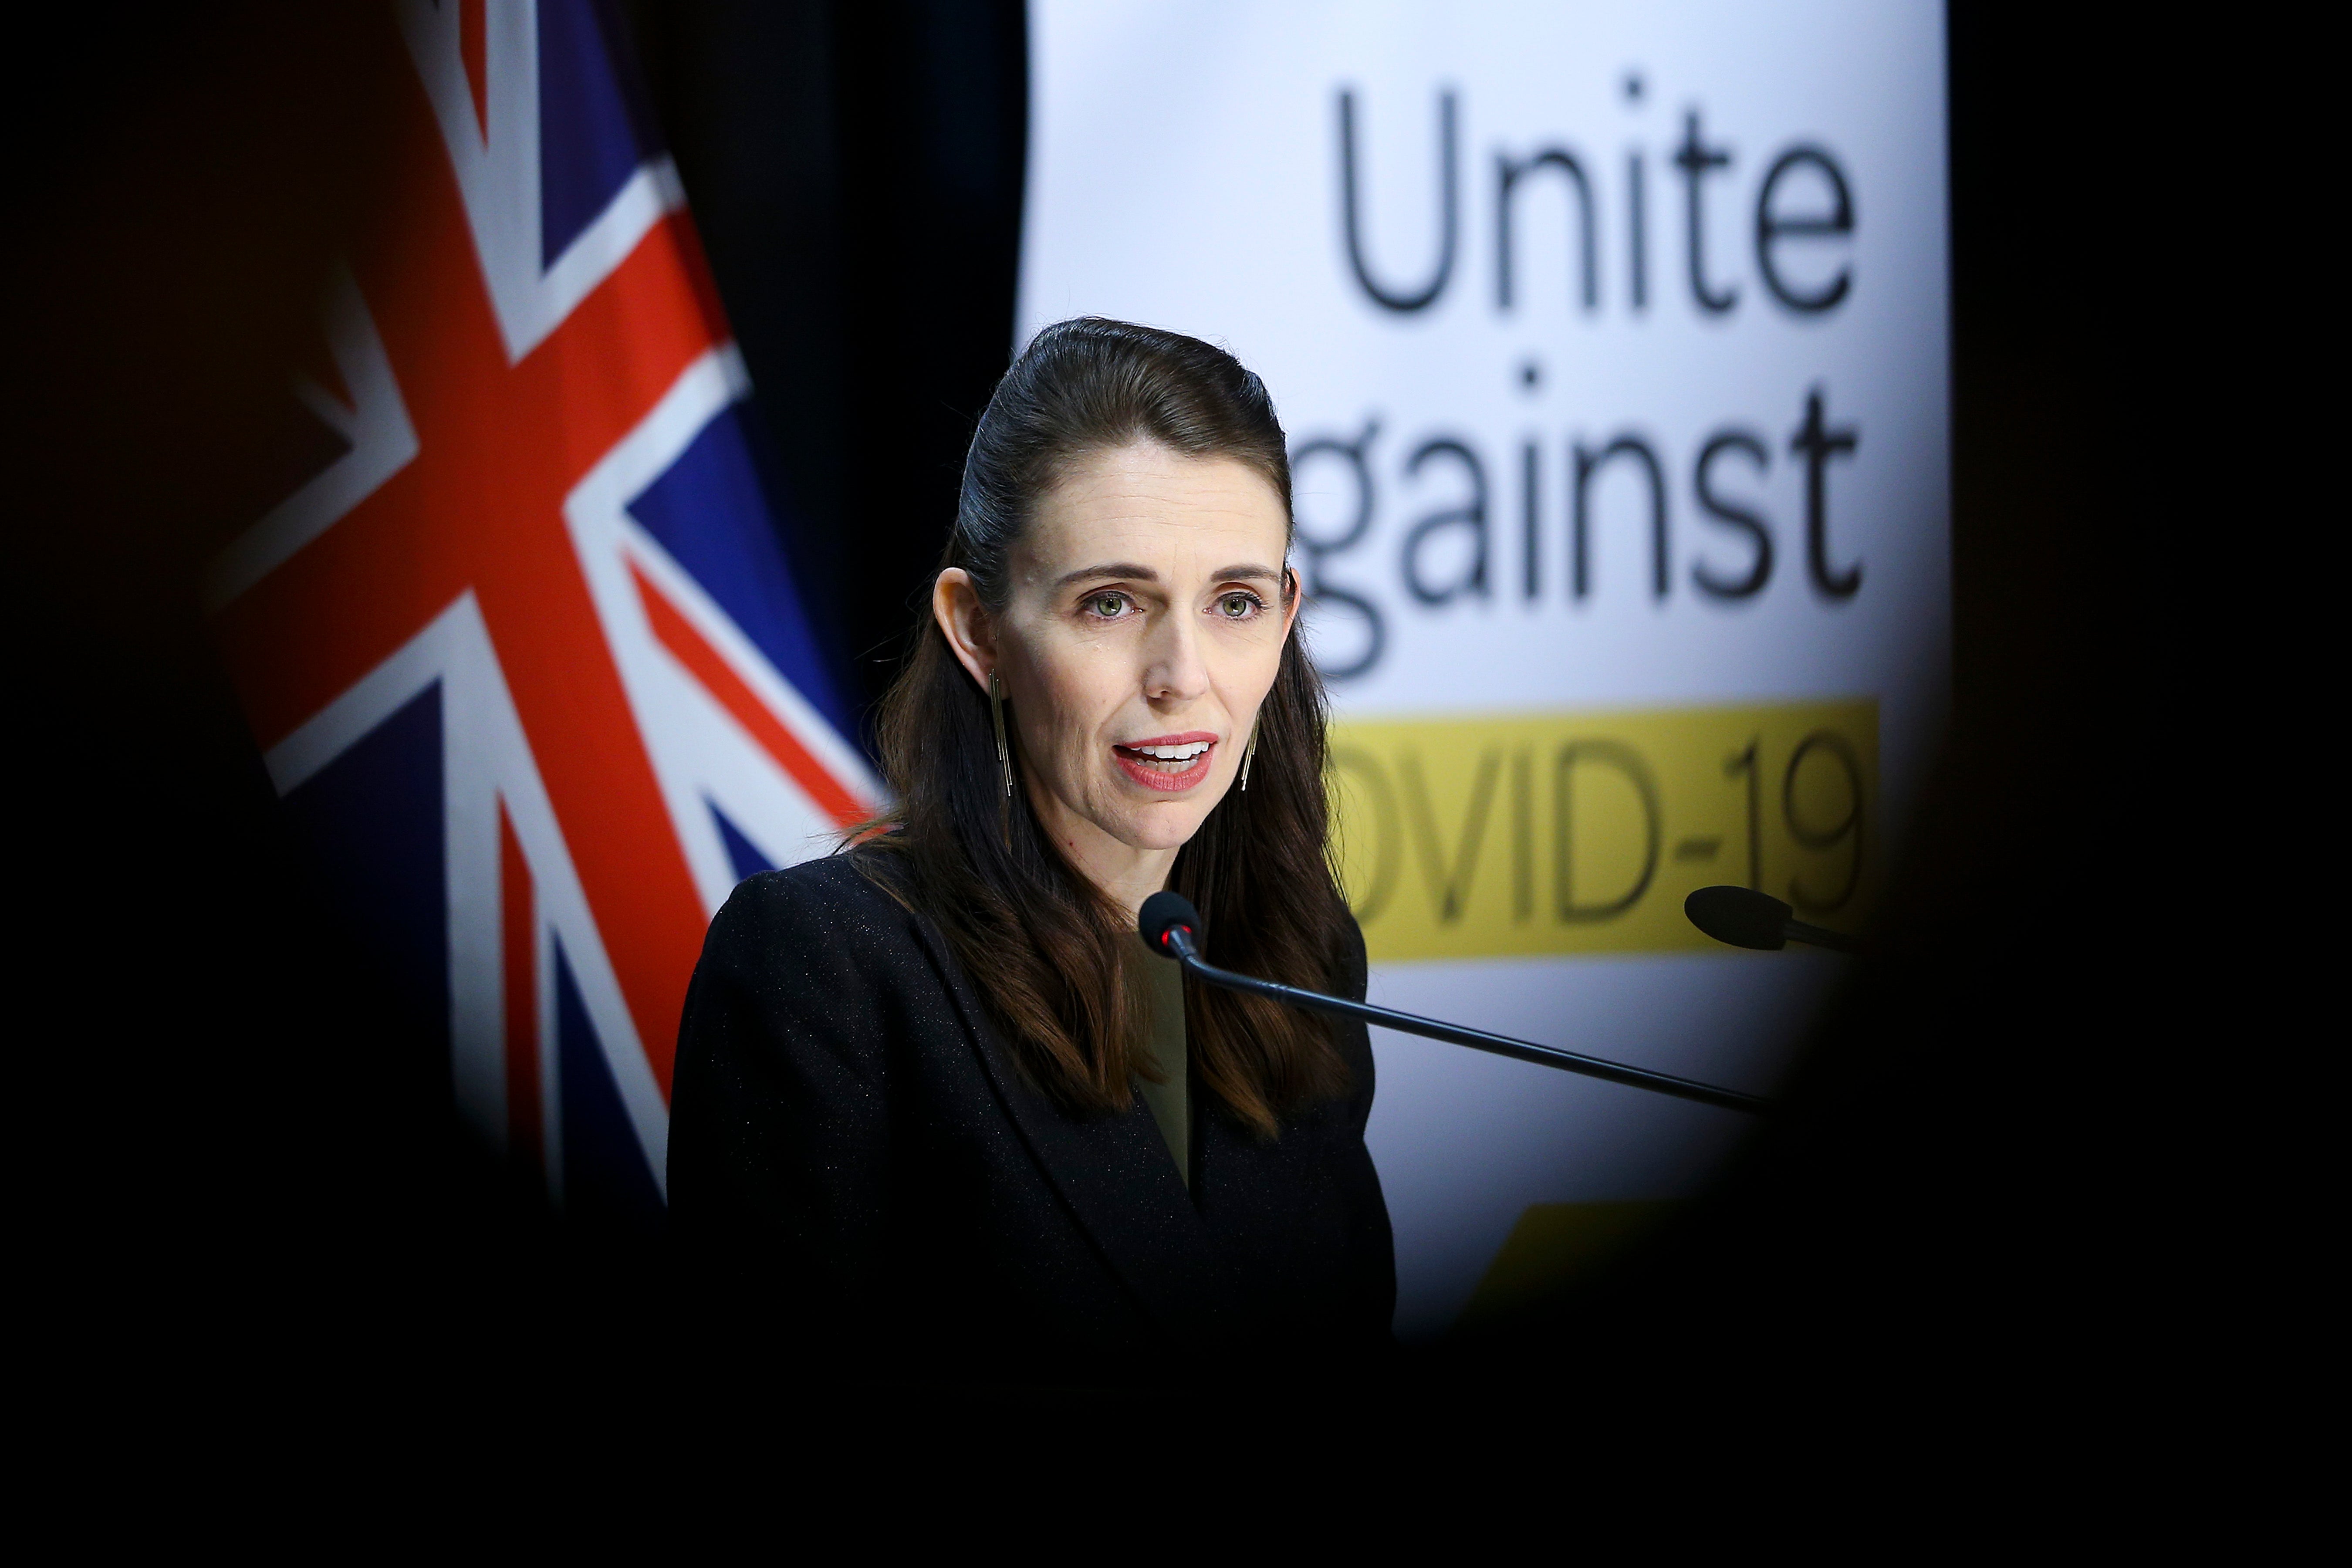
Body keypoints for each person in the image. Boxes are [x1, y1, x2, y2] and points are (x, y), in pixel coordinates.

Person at [669, 318, 1393, 1379]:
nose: (1182, 675)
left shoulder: (1302, 956)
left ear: (1286, 619)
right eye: (1111, 603)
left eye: (1234, 601)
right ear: (979, 630)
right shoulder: (821, 971)